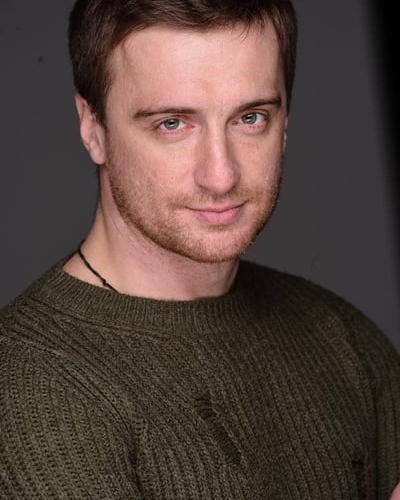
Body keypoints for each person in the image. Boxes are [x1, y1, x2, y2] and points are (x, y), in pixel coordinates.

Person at [0, 0, 399, 498]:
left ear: (285, 122)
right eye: (172, 124)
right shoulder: (31, 383)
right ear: (92, 127)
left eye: (250, 118)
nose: (221, 175)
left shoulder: (345, 340)